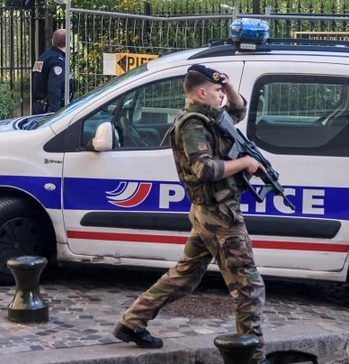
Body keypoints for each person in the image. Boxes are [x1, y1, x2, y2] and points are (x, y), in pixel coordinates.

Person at [114, 64, 269, 363]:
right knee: (248, 286)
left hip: (211, 212)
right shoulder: (193, 124)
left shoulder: (213, 117)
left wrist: (229, 85)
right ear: (201, 92)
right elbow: (205, 169)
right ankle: (253, 355)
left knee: (185, 275)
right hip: (218, 214)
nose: (221, 95)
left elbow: (239, 111)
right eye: (216, 91)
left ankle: (132, 322)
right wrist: (245, 163)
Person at [31, 28, 67, 114]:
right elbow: (54, 87)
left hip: (39, 105)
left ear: (52, 41)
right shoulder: (57, 60)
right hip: (49, 109)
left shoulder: (44, 56)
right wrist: (55, 112)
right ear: (68, 42)